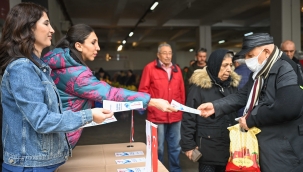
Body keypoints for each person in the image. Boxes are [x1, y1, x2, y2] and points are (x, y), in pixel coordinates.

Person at [0, 2, 114, 171]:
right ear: (28, 27)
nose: (52, 30)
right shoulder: (22, 67)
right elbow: (42, 120)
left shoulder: (38, 67)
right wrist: (88, 115)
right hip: (29, 165)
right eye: (46, 23)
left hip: (39, 162)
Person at [42, 24, 177, 148]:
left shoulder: (57, 61)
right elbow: (111, 93)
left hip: (53, 135)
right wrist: (152, 101)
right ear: (79, 46)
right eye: (93, 42)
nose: (98, 48)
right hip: (58, 141)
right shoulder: (76, 74)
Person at [198, 33, 303, 172]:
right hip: (265, 144)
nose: (247, 60)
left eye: (250, 55)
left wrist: (251, 118)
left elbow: (289, 107)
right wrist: (215, 106)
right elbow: (243, 95)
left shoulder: (286, 69)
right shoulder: (260, 72)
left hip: (283, 147)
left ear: (266, 52)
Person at [180, 49, 240, 172]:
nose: (229, 69)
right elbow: (189, 117)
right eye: (224, 65)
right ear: (214, 65)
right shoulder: (199, 87)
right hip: (207, 148)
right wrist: (188, 145)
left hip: (229, 148)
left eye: (230, 65)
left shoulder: (232, 86)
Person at [139, 43, 185, 172]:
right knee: (158, 147)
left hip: (175, 115)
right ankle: (158, 169)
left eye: (170, 53)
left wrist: (180, 109)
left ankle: (175, 169)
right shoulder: (150, 68)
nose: (167, 55)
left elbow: (181, 91)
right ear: (158, 55)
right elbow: (143, 91)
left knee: (176, 146)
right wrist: (152, 108)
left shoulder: (177, 69)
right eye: (164, 53)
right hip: (157, 115)